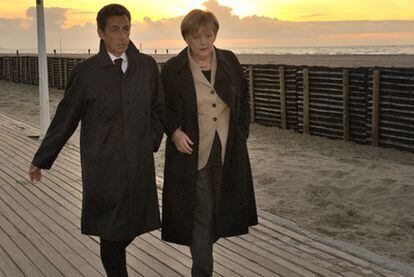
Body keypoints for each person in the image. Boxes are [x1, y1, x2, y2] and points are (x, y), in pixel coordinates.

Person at [28, 4, 164, 276]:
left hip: (138, 164)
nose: (122, 35)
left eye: (126, 28)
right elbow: (66, 118)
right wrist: (42, 158)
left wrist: (150, 141)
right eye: (115, 29)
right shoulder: (87, 72)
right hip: (103, 167)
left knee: (134, 225)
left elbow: (159, 109)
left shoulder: (146, 66)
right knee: (110, 233)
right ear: (101, 32)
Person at [161, 9, 258, 276]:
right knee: (202, 218)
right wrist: (175, 132)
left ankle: (202, 252)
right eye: (197, 36)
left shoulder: (229, 61)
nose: (204, 41)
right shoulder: (173, 69)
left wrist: (241, 133)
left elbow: (244, 100)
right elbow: (163, 109)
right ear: (186, 38)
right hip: (193, 154)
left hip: (228, 153)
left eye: (209, 35)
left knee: (219, 214)